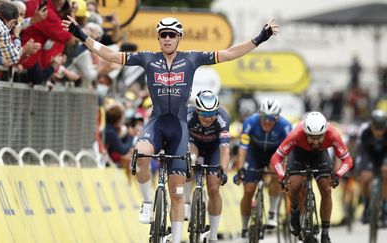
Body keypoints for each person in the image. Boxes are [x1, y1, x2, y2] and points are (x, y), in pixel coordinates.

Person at [62, 15, 279, 242]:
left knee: (177, 193)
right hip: (157, 123)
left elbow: (229, 54)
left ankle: (176, 239)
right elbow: (109, 54)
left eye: (172, 35)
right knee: (142, 153)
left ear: (179, 38)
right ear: (158, 38)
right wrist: (81, 35)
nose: (167, 39)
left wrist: (260, 38)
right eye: (163, 35)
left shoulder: (192, 58)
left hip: (179, 127)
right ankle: (147, 202)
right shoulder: (147, 58)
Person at [270, 111, 353, 243]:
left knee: (326, 189)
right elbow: (276, 157)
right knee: (295, 184)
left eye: (319, 137)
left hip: (320, 156)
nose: (315, 141)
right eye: (312, 137)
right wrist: (282, 175)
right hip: (298, 154)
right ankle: (295, 211)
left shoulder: (333, 134)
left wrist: (337, 175)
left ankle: (325, 233)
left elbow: (347, 160)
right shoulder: (296, 134)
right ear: (305, 133)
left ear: (325, 133)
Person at [233, 98, 292, 243]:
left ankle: (272, 212)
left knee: (276, 172)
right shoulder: (250, 123)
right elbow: (242, 149)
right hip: (254, 155)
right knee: (248, 191)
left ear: (277, 118)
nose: (266, 122)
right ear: (260, 115)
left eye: (271, 119)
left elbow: (288, 153)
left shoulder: (285, 127)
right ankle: (244, 229)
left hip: (274, 155)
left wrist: (285, 172)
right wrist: (240, 169)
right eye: (264, 117)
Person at [184, 90, 230, 243]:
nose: (208, 118)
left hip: (214, 148)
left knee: (214, 187)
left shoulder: (223, 118)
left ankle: (213, 234)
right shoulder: (188, 115)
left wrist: (222, 169)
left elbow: (225, 149)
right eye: (203, 114)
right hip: (194, 144)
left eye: (212, 114)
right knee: (189, 160)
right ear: (197, 110)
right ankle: (185, 202)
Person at [354, 109, 387, 225]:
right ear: (371, 126)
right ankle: (367, 205)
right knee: (365, 177)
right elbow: (362, 152)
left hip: (384, 154)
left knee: (385, 173)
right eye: (376, 129)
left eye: (382, 129)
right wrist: (363, 168)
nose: (379, 132)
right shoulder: (365, 131)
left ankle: (384, 208)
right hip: (369, 154)